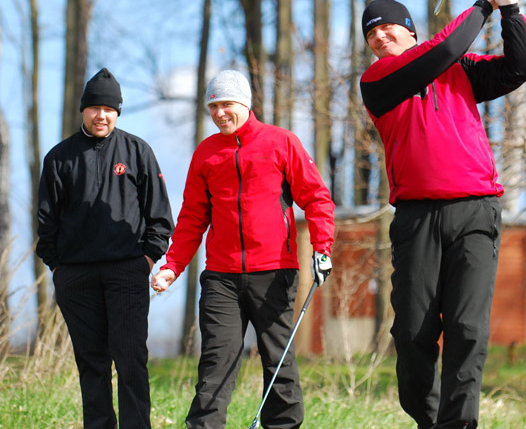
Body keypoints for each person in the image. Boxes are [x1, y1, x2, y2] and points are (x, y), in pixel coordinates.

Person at [359, 0, 526, 429]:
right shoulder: (378, 81)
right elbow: (442, 50)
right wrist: (483, 6)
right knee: (413, 334)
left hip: (476, 210)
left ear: (411, 30)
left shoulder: (460, 69)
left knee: (468, 329)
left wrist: (511, 11)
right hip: (416, 219)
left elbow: (519, 68)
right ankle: (431, 419)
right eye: (371, 33)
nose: (380, 36)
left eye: (389, 27)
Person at [151, 69, 335, 429]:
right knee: (216, 363)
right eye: (214, 106)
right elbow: (191, 218)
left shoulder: (281, 142)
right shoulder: (205, 154)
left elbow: (316, 198)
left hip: (274, 272)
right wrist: (173, 266)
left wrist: (322, 246)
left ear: (245, 104)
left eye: (227, 104)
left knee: (278, 362)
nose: (220, 113)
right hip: (222, 277)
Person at [36, 68, 175, 429]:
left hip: (127, 272)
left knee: (131, 360)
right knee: (91, 362)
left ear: (118, 112)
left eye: (110, 108)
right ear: (83, 110)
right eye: (95, 107)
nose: (102, 115)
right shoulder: (59, 158)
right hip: (76, 278)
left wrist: (145, 259)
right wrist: (58, 267)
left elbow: (160, 216)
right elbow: (45, 221)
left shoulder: (137, 151)